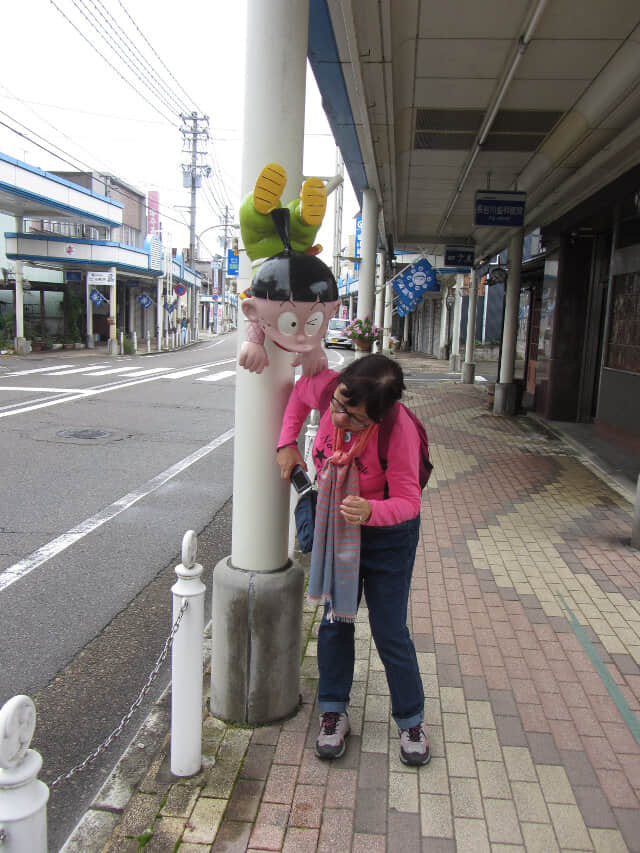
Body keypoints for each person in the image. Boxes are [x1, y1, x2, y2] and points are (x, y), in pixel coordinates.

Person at [276, 354, 429, 766]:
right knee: (334, 621)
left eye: (354, 416)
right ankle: (333, 711)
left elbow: (409, 502)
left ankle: (411, 719)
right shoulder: (331, 389)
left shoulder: (397, 432)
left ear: (379, 416)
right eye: (337, 406)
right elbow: (299, 396)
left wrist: (371, 513)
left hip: (386, 537)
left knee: (390, 631)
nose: (339, 418)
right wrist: (287, 441)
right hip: (336, 526)